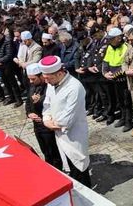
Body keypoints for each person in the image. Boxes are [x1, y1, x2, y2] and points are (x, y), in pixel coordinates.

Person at [40, 55, 92, 187]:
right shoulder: (52, 83)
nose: (46, 81)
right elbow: (47, 104)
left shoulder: (75, 87)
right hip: (58, 132)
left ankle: (88, 194)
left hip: (74, 135)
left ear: (59, 73)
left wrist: (53, 124)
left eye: (48, 78)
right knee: (68, 164)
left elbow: (68, 117)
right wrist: (46, 119)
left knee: (79, 166)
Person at [25, 63, 62, 169]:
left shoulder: (50, 87)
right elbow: (28, 102)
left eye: (33, 79)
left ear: (41, 76)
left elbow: (52, 105)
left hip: (47, 126)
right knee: (45, 151)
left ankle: (58, 171)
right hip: (37, 126)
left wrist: (39, 101)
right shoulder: (32, 86)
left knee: (53, 152)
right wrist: (29, 113)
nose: (31, 82)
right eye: (30, 79)